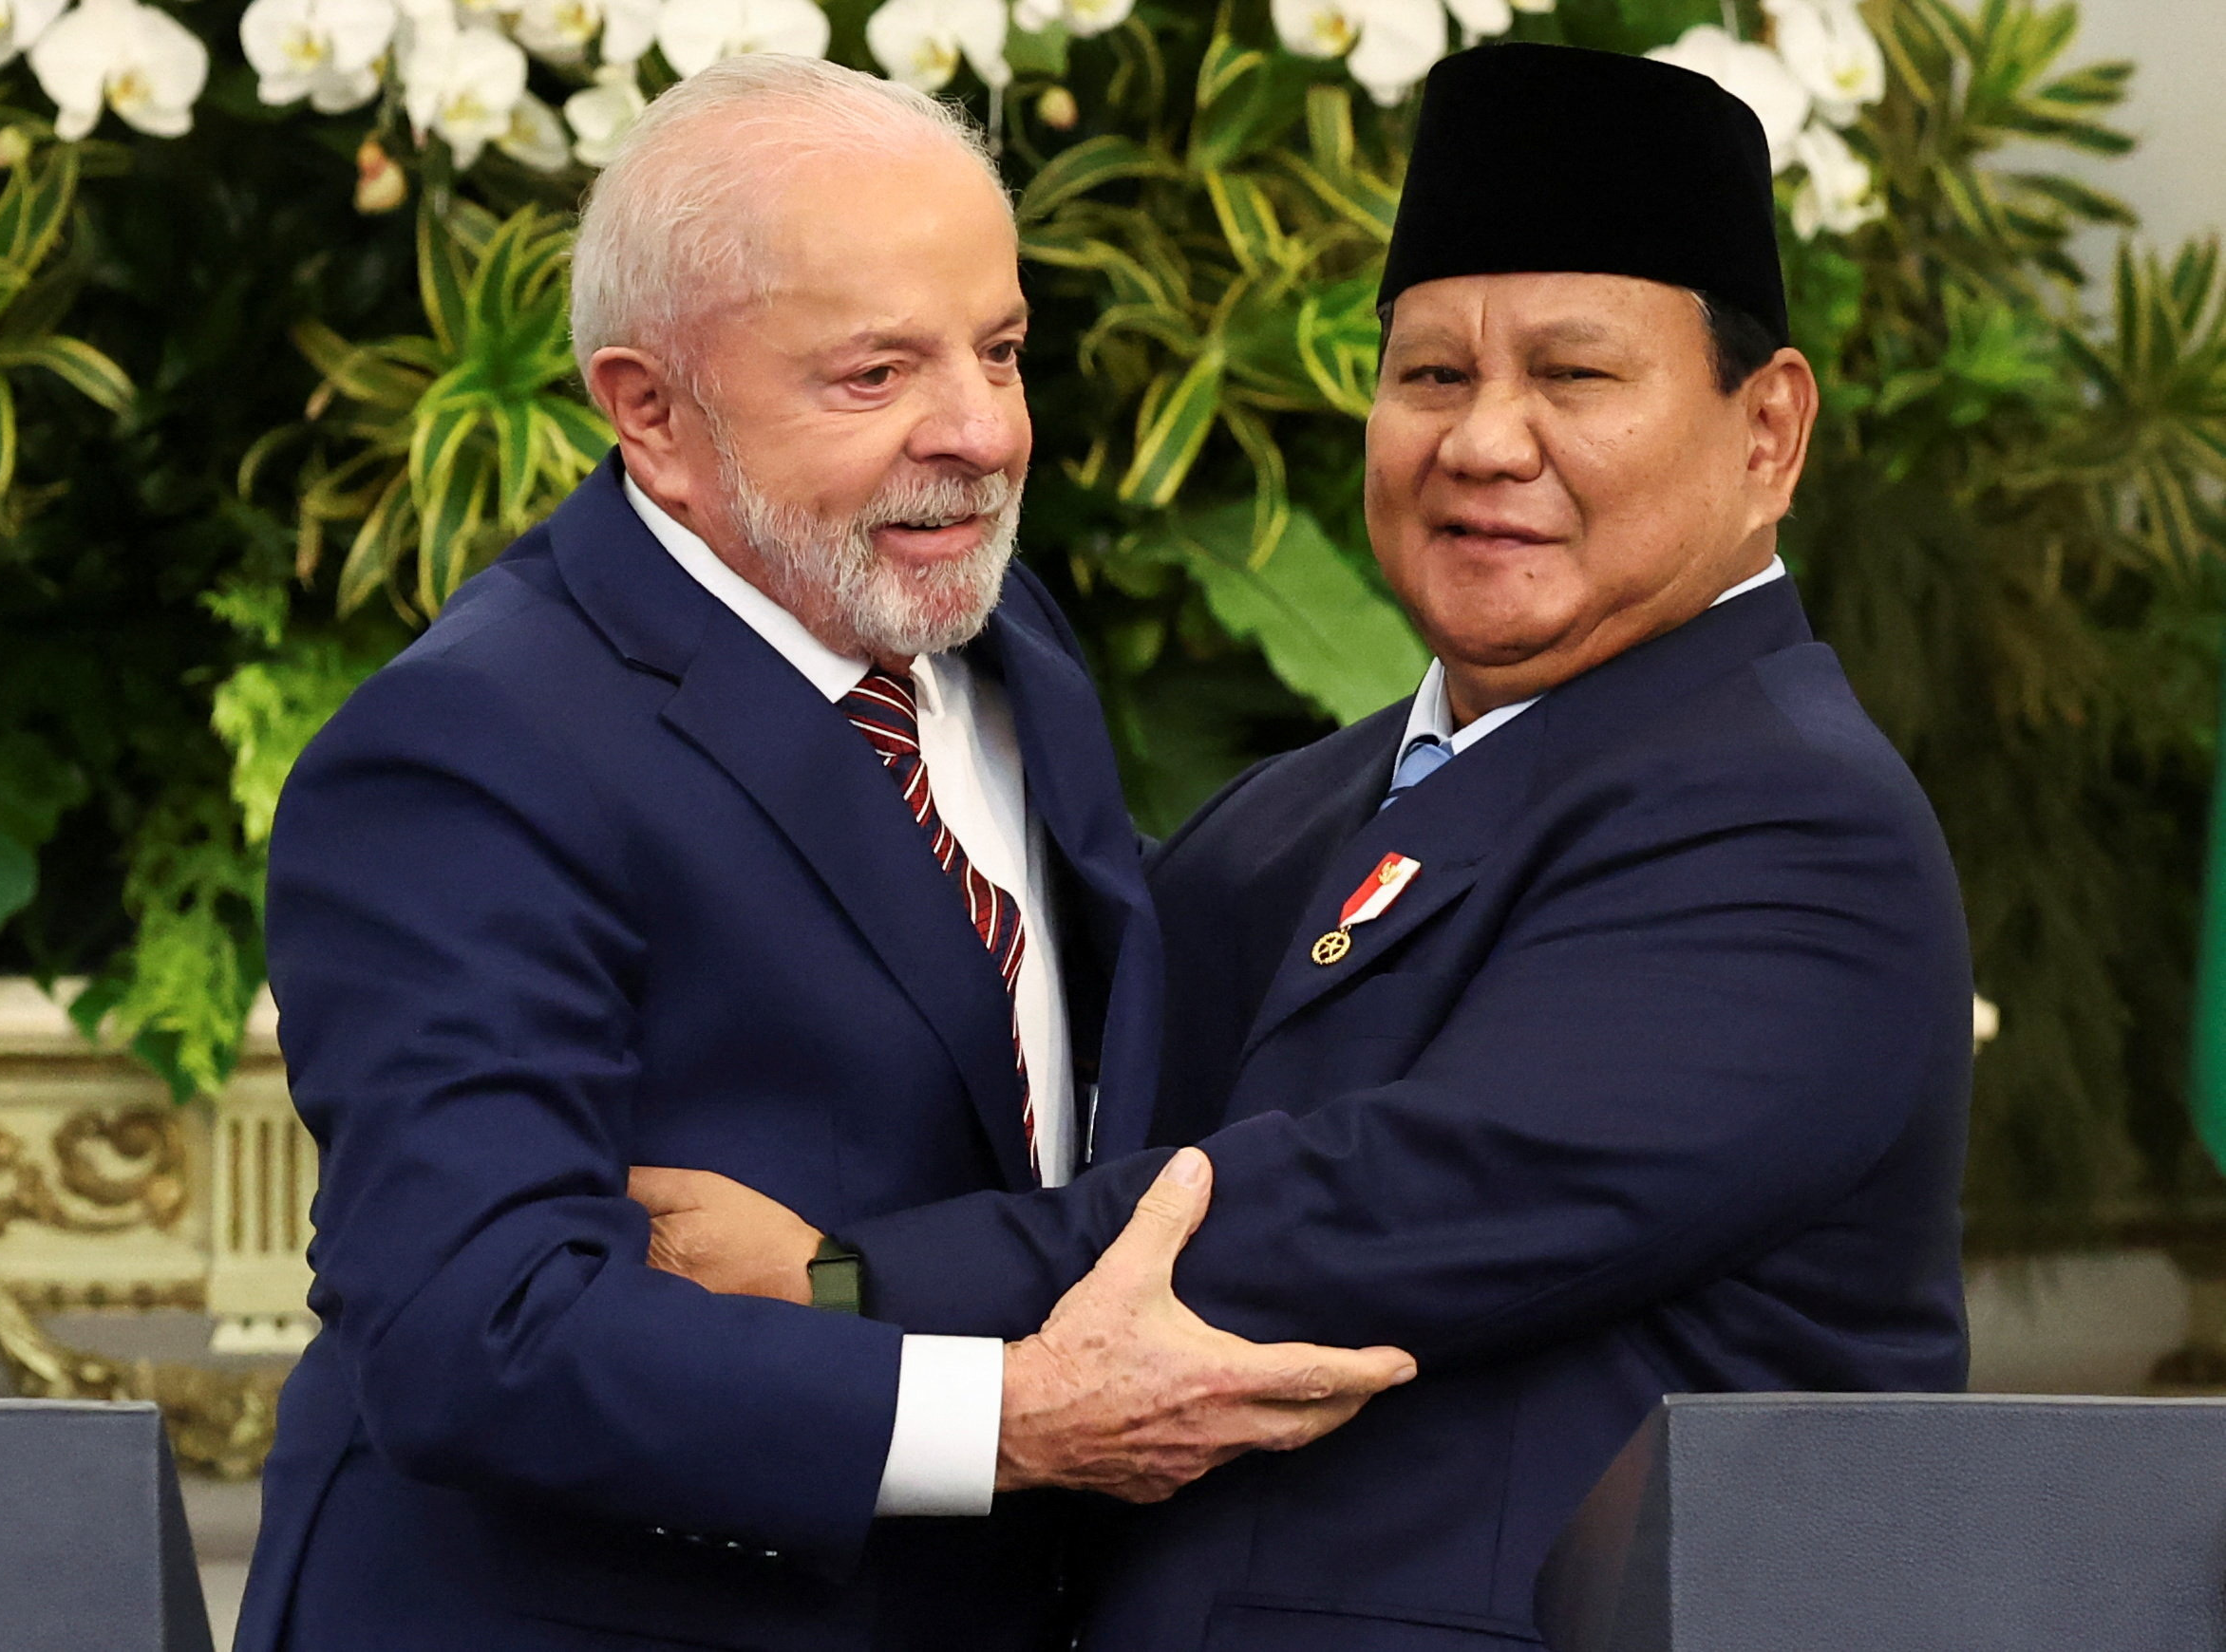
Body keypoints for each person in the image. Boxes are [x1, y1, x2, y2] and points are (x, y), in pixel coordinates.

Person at [633, 42, 1973, 1652]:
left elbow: (1375, 1207)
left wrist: (845, 1289)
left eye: (1573, 376)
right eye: (1432, 376)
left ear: (1768, 432)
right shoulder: (1290, 813)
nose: (1483, 443)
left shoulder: (1796, 821)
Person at [234, 55, 1408, 1652]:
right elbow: (472, 1328)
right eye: (876, 374)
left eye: (1001, 350)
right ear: (650, 410)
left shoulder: (975, 614)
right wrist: (1014, 1418)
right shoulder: (466, 753)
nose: (982, 432)